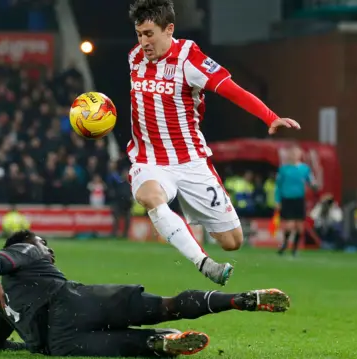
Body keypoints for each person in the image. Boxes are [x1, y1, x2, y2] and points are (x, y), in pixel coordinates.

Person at [126, 0, 301, 285]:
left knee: (232, 241)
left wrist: (270, 117)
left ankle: (187, 217)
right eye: (139, 34)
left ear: (169, 29)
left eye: (149, 34)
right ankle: (205, 264)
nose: (143, 42)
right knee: (150, 197)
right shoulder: (135, 57)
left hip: (191, 161)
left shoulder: (190, 59)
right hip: (150, 160)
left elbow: (232, 91)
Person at [0, 230, 291, 357]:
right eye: (45, 243)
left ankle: (162, 342)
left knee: (136, 343)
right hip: (71, 302)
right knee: (165, 306)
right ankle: (237, 300)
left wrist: (28, 345)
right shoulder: (26, 248)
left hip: (59, 345)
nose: (49, 248)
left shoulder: (5, 303)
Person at [276, 145, 317, 256]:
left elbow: (311, 181)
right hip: (287, 199)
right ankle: (284, 245)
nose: (293, 155)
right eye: (292, 153)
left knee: (300, 227)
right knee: (289, 225)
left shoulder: (305, 169)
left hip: (299, 199)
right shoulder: (284, 169)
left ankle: (294, 248)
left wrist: (314, 185)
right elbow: (278, 186)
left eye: (296, 153)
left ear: (300, 155)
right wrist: (277, 200)